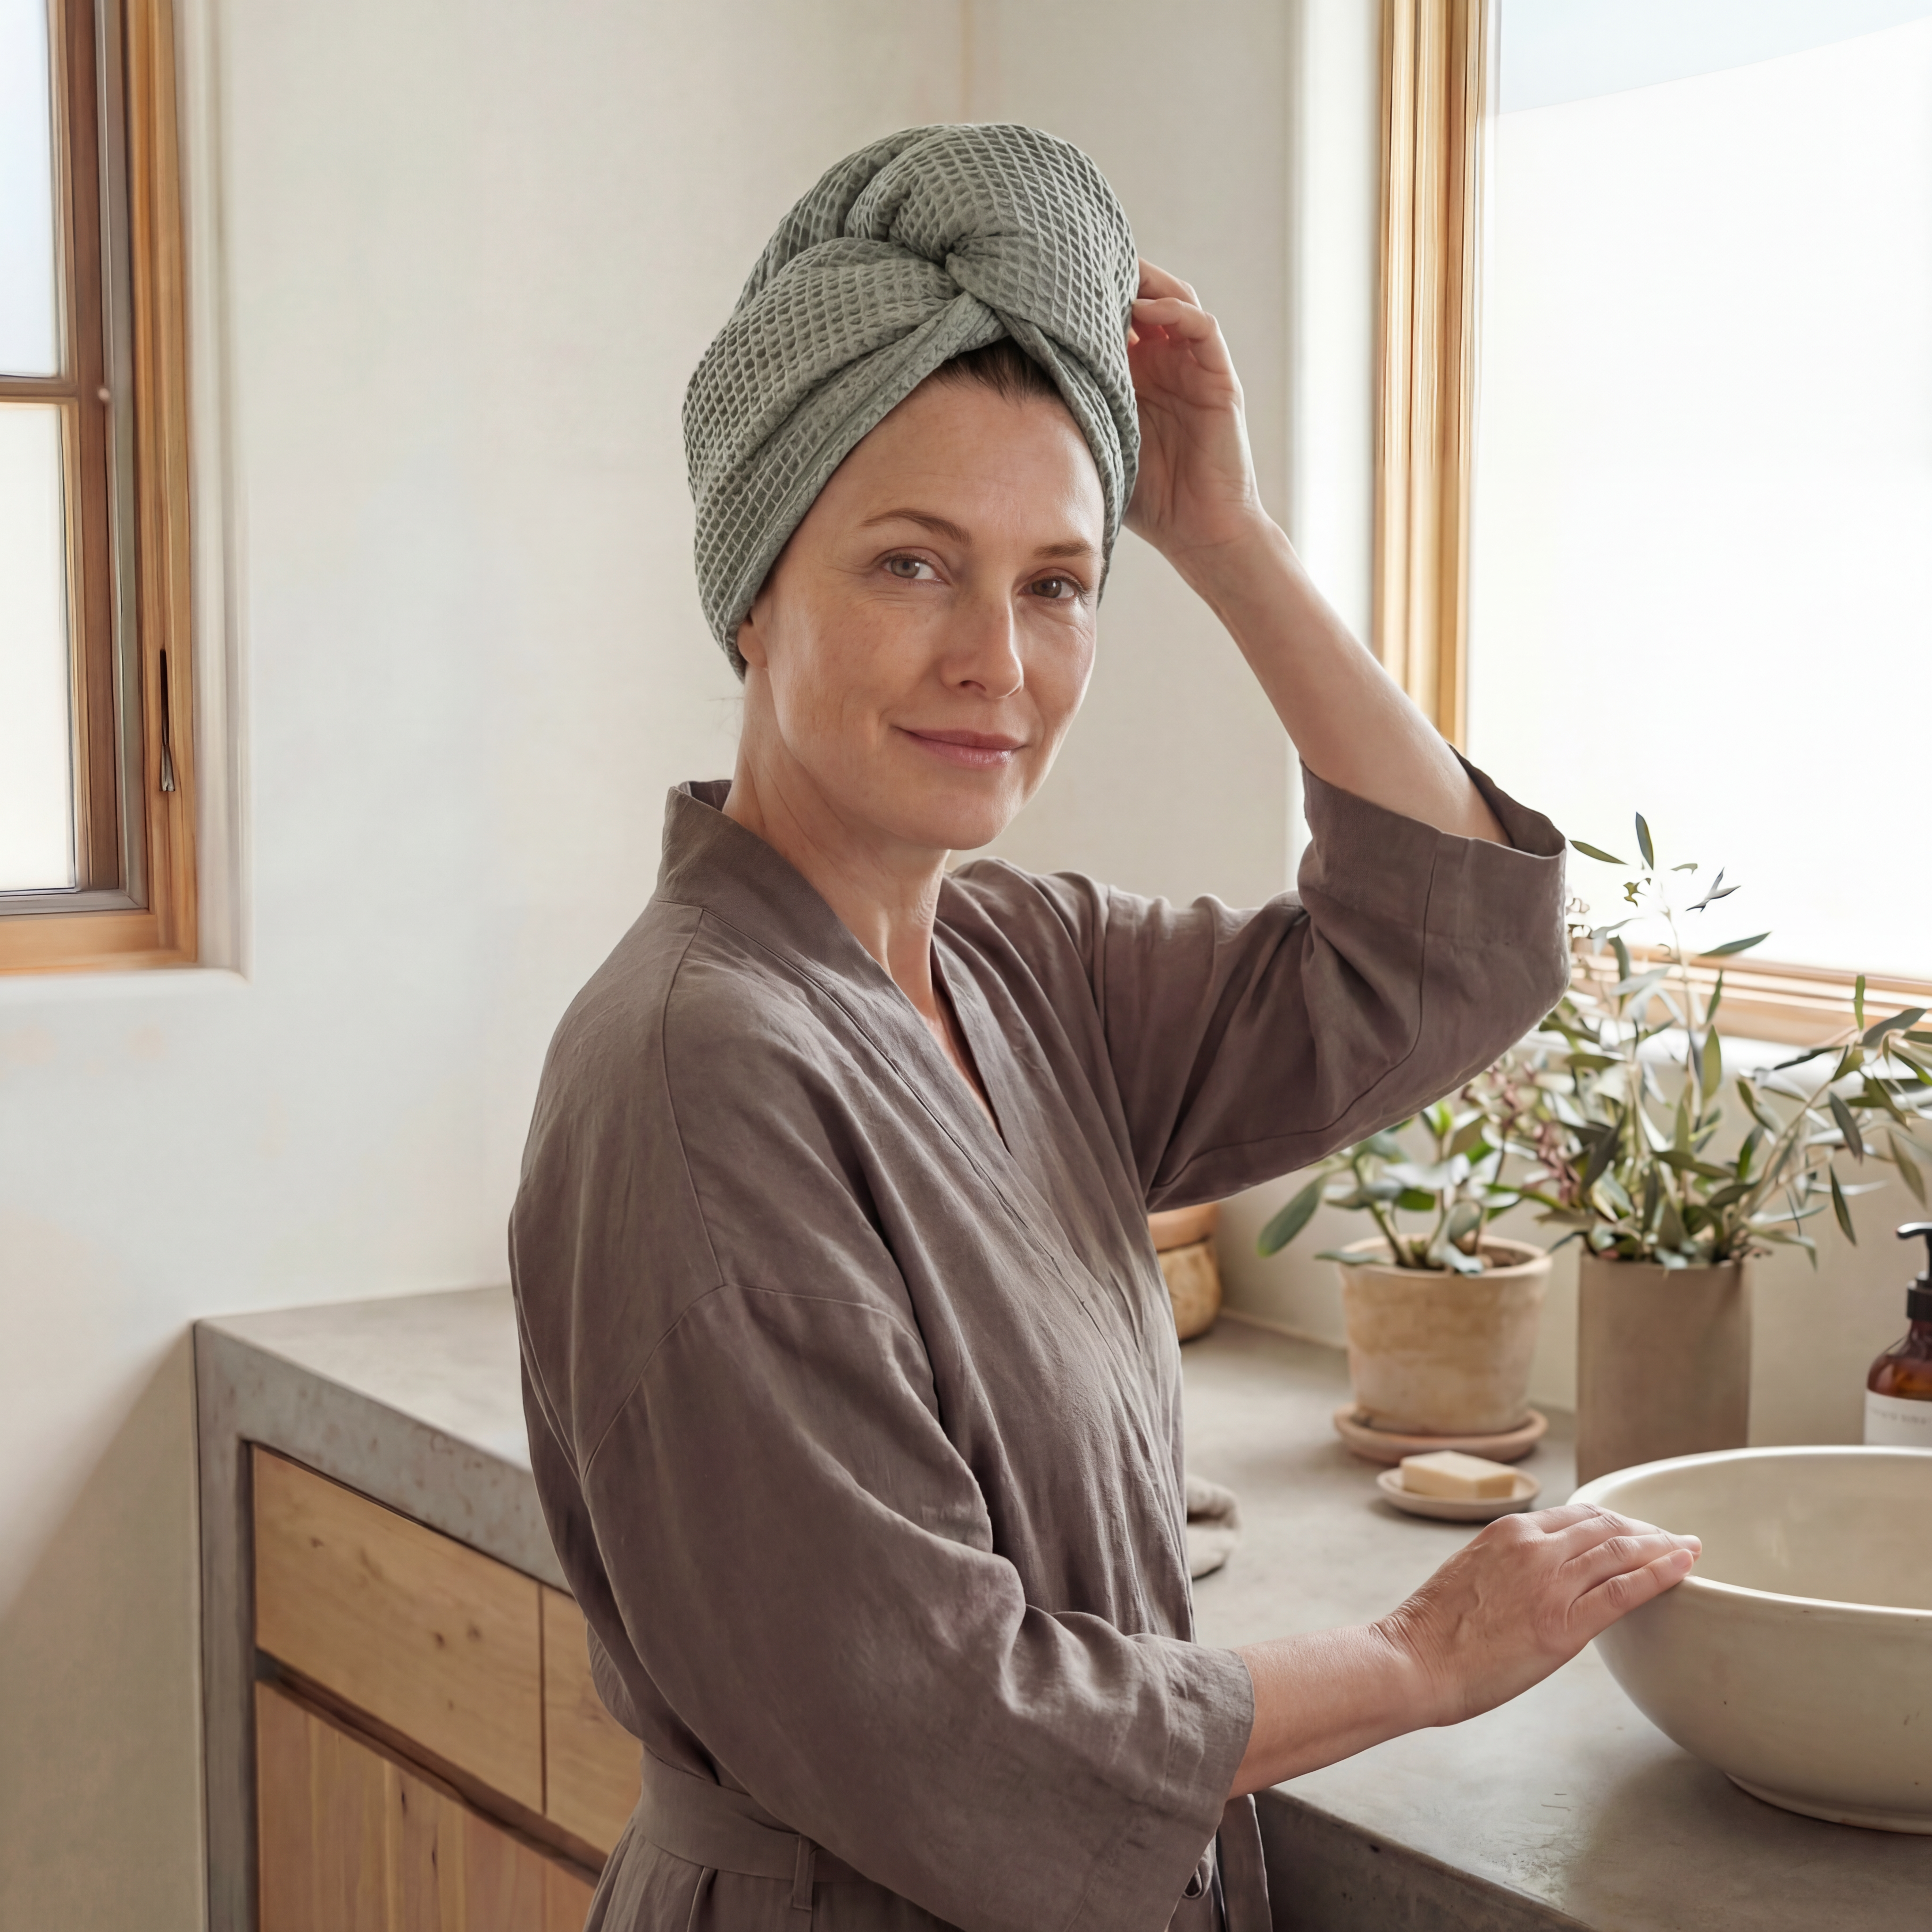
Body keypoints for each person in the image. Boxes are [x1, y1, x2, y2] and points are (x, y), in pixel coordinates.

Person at [510, 124, 1699, 1932]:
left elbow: (1445, 951)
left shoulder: (1017, 964)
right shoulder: (700, 1068)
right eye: (912, 564)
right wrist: (1420, 1654)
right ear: (754, 595)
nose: (999, 658)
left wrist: (1217, 529)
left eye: (1057, 581)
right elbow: (945, 1720)